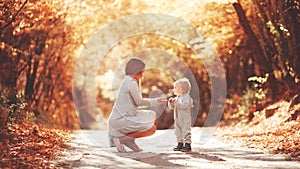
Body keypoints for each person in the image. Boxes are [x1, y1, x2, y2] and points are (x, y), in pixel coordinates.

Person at [108, 58, 167, 152]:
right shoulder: (131, 82)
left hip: (119, 118)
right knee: (151, 127)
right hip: (120, 119)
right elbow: (139, 102)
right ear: (136, 70)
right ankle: (123, 139)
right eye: (141, 71)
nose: (143, 74)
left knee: (151, 118)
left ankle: (129, 140)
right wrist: (156, 101)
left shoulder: (127, 80)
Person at [168, 78, 193, 152]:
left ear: (181, 89)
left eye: (175, 87)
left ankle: (187, 144)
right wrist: (171, 102)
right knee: (178, 131)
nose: (173, 89)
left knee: (186, 130)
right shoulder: (177, 98)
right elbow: (171, 107)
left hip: (185, 119)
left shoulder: (187, 98)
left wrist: (175, 102)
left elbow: (184, 106)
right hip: (177, 119)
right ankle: (180, 143)